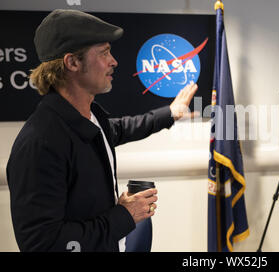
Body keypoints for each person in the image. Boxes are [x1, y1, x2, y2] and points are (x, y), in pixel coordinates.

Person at [6, 9, 198, 252]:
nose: (113, 61)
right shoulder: (40, 142)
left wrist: (171, 113)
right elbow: (42, 244)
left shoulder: (90, 116)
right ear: (72, 62)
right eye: (104, 52)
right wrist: (123, 216)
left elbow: (119, 129)